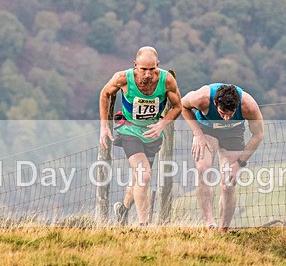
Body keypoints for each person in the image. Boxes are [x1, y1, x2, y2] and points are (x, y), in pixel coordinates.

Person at [99, 46, 182, 225]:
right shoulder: (123, 78)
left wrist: (162, 124)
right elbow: (105, 94)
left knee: (139, 179)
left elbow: (178, 107)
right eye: (143, 69)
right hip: (129, 130)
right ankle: (144, 225)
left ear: (158, 65)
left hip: (151, 133)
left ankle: (123, 208)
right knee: (144, 175)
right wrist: (104, 126)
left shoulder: (167, 80)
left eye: (152, 69)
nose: (147, 74)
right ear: (135, 65)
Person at [181, 83, 264, 231]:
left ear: (237, 106)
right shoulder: (202, 98)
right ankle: (209, 224)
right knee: (202, 169)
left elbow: (258, 135)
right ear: (215, 103)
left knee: (228, 183)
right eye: (222, 112)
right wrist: (197, 134)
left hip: (233, 131)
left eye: (230, 114)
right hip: (206, 128)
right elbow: (182, 105)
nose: (225, 118)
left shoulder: (249, 106)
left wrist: (238, 164)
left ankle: (223, 229)